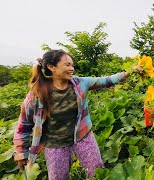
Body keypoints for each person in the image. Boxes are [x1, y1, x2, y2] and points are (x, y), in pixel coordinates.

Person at [13, 50, 142, 179]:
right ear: (51, 67)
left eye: (72, 65)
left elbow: (106, 80)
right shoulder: (37, 95)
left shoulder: (80, 83)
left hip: (82, 135)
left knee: (97, 172)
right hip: (55, 144)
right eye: (67, 65)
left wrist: (129, 72)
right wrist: (21, 152)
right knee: (59, 177)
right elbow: (23, 125)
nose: (71, 68)